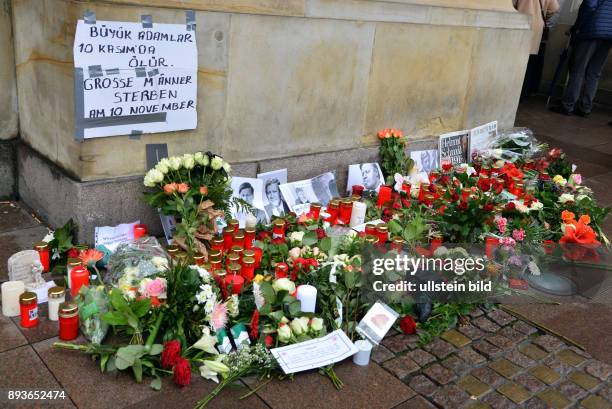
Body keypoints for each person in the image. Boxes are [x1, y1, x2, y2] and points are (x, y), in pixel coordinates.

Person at [552, 0, 612, 116]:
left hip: (591, 31)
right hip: (608, 35)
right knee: (594, 73)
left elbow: (589, 5)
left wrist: (577, 27)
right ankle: (585, 107)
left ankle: (568, 105)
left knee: (578, 69)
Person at [514, 0, 561, 97]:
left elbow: (511, 4)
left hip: (519, 22)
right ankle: (523, 93)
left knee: (515, 60)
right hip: (537, 26)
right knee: (529, 62)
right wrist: (543, 15)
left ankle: (513, 91)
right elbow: (554, 8)